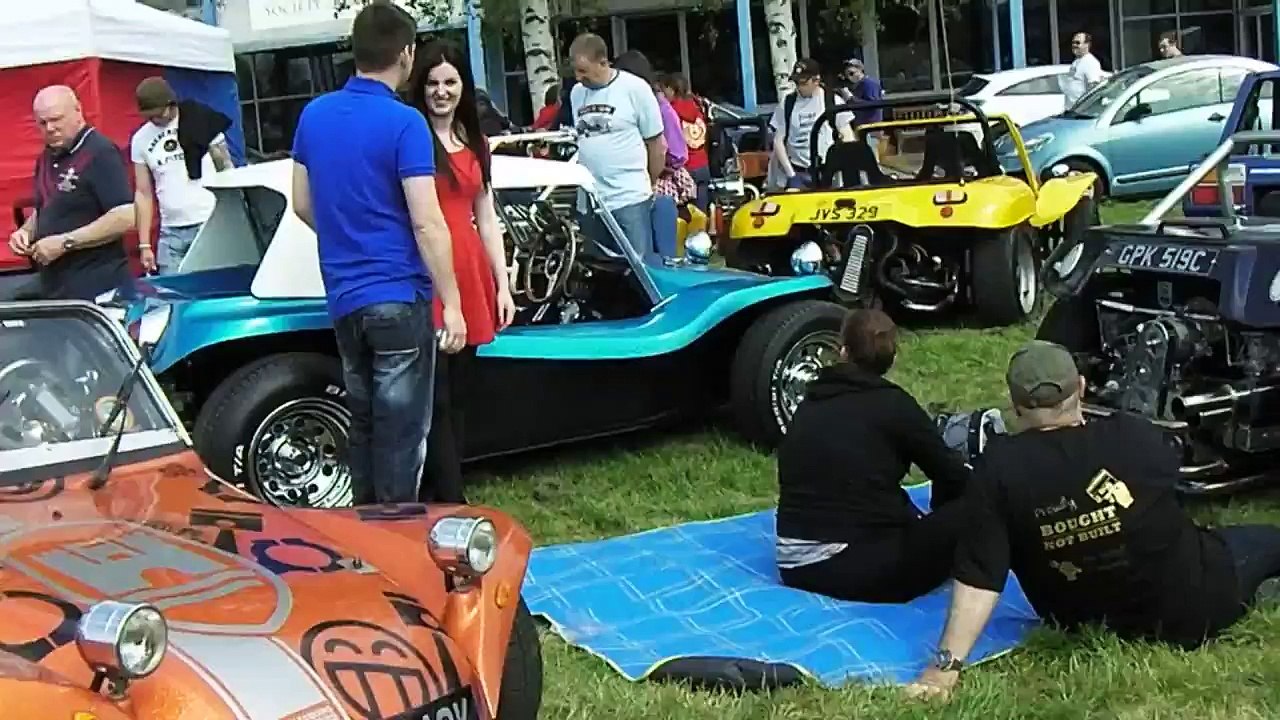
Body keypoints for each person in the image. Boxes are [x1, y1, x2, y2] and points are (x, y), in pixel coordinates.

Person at [906, 340, 1280, 701]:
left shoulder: (998, 469)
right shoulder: (1133, 434)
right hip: (1190, 609)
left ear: (1015, 404)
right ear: (1081, 387)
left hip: (1078, 617)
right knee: (1264, 540)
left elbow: (980, 576)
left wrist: (945, 667)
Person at [290, 0, 466, 505]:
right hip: (398, 293)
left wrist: (350, 236)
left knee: (363, 426)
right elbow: (427, 220)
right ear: (407, 54)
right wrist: (450, 302)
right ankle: (399, 542)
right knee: (402, 434)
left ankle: (365, 536)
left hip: (344, 295)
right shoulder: (405, 122)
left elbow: (303, 202)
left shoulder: (314, 115)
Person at [776, 308, 972, 604]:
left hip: (793, 564)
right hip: (862, 566)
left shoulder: (809, 403)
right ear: (892, 358)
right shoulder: (894, 406)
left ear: (843, 351)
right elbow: (950, 473)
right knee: (981, 504)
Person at [410, 39, 517, 503]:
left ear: (463, 86)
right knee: (435, 396)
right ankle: (447, 495)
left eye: (450, 82)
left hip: (471, 268)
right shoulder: (410, 136)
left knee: (462, 392)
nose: (441, 91)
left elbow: (487, 216)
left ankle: (449, 484)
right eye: (432, 82)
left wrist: (503, 282)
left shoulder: (476, 141)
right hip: (429, 268)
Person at [5, 85, 135, 302]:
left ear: (78, 111)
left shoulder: (100, 152)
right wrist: (26, 232)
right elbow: (48, 207)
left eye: (56, 119)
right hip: (56, 285)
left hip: (96, 287)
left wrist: (65, 243)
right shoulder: (46, 157)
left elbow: (126, 216)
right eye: (42, 123)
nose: (50, 128)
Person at [567, 32, 667, 258]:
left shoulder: (635, 89)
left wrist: (648, 183)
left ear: (603, 62)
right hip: (591, 202)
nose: (578, 77)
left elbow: (657, 144)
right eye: (575, 70)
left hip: (629, 198)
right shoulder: (577, 93)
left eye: (583, 71)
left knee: (637, 270)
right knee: (597, 271)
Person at [130, 76, 234, 275]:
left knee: (213, 289)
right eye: (148, 116)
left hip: (209, 221)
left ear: (170, 105)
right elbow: (143, 193)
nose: (154, 120)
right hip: (171, 231)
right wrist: (144, 245)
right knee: (173, 296)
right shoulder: (140, 139)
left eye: (157, 114)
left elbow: (226, 170)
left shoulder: (202, 121)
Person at [612, 50, 693, 262]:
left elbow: (676, 152)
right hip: (630, 185)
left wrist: (651, 170)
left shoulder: (659, 108)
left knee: (657, 250)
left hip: (655, 182)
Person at [769, 58, 854, 190]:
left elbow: (848, 136)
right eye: (796, 82)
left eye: (803, 83)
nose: (799, 87)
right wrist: (791, 174)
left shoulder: (832, 100)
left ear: (816, 81)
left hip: (827, 172)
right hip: (798, 171)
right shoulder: (787, 103)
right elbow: (778, 141)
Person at [661, 72, 712, 212]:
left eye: (664, 89)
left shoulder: (670, 111)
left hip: (685, 168)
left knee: (686, 216)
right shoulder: (698, 107)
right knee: (702, 213)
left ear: (672, 88)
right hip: (703, 164)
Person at [837, 58, 884, 159]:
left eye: (852, 73)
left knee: (872, 159)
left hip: (871, 128)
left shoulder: (869, 84)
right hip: (861, 128)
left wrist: (850, 98)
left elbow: (873, 105)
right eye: (847, 74)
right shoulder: (856, 86)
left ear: (860, 70)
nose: (850, 77)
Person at [1059, 32, 1105, 107]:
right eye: (1073, 42)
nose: (1074, 45)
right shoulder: (1077, 61)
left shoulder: (1090, 62)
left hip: (1082, 110)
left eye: (1077, 43)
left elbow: (1094, 87)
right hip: (1072, 108)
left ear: (1087, 45)